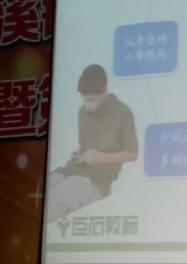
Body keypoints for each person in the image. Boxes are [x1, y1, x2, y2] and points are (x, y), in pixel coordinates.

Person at [46, 64, 138, 223]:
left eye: (91, 100)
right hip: (73, 169)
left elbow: (132, 154)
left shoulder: (123, 113)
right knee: (40, 189)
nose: (87, 105)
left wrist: (99, 157)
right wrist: (80, 154)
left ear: (104, 91)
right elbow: (87, 145)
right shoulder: (82, 112)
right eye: (84, 100)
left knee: (53, 201)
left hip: (97, 180)